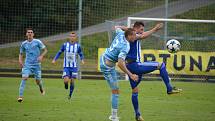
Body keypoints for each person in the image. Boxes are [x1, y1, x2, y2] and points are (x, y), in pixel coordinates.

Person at [116, 22, 182, 121]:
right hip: (135, 65)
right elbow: (143, 36)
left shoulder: (125, 35)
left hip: (130, 67)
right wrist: (155, 29)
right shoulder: (133, 37)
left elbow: (117, 27)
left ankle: (138, 115)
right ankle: (169, 88)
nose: (142, 31)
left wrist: (129, 29)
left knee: (135, 91)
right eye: (141, 29)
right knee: (161, 65)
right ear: (135, 29)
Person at [100, 28, 138, 121]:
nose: (135, 36)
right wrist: (131, 74)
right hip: (106, 67)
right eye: (134, 35)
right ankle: (113, 117)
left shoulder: (121, 34)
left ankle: (114, 116)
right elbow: (120, 64)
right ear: (129, 36)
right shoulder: (126, 46)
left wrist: (128, 28)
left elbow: (117, 27)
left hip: (106, 58)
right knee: (115, 91)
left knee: (116, 91)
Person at [18, 27, 48, 102]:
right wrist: (20, 61)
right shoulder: (24, 44)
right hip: (27, 64)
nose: (30, 33)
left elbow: (45, 50)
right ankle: (20, 96)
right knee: (25, 78)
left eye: (31, 32)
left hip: (37, 65)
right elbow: (21, 53)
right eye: (28, 32)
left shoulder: (37, 42)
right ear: (26, 34)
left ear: (33, 34)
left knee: (38, 81)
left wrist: (41, 56)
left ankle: (41, 88)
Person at [52, 32, 84, 99]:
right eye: (71, 36)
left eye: (73, 36)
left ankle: (70, 95)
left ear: (75, 38)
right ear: (69, 37)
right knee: (66, 80)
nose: (72, 37)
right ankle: (66, 84)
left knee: (72, 80)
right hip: (66, 66)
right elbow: (59, 52)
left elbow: (80, 53)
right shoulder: (65, 45)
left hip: (74, 67)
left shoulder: (78, 46)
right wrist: (54, 59)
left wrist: (82, 59)